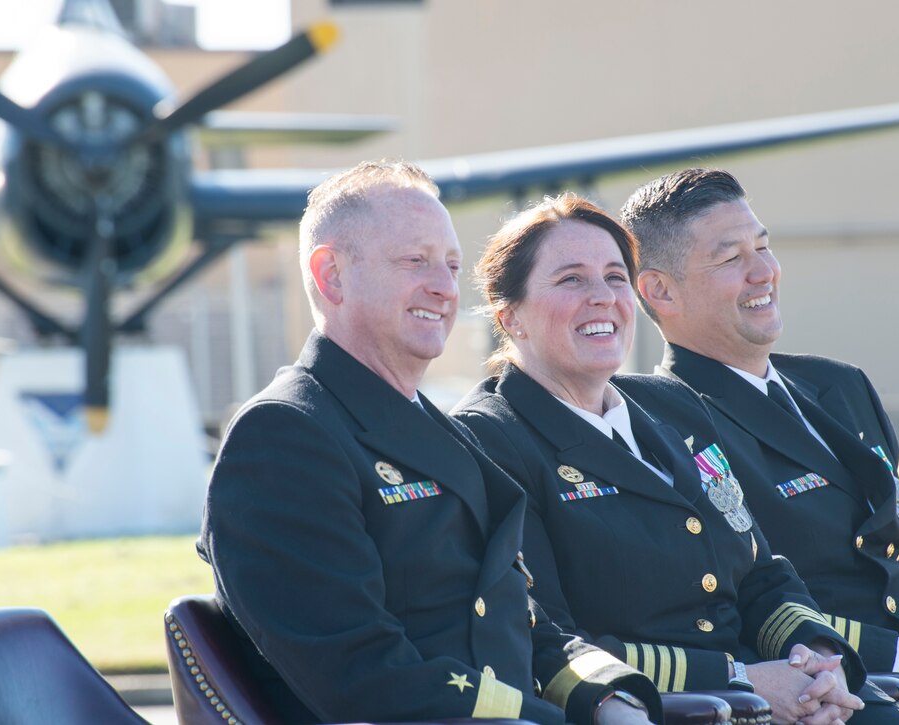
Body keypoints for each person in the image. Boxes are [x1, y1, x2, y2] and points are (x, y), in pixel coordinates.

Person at [197, 161, 661, 725]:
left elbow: (524, 625)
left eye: (452, 265)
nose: (444, 288)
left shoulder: (435, 428)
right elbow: (362, 674)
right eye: (415, 261)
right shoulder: (284, 436)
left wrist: (610, 698)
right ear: (331, 275)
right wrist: (539, 716)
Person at [451, 193, 899, 725]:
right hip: (670, 707)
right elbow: (548, 636)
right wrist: (739, 679)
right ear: (510, 316)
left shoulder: (671, 405)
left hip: (789, 691)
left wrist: (815, 655)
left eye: (615, 277)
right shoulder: (488, 437)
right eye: (571, 280)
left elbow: (760, 573)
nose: (603, 298)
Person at [617, 167, 899, 720]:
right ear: (659, 291)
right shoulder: (663, 421)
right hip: (850, 689)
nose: (764, 271)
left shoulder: (839, 386)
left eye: (763, 247)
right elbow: (745, 604)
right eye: (730, 259)